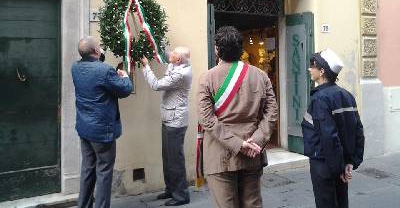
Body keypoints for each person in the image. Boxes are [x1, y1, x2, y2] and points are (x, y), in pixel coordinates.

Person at [197, 26, 278, 208]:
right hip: (253, 152)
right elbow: (271, 112)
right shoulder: (261, 75)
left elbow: (206, 118)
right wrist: (256, 140)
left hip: (221, 153)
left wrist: (238, 144)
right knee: (252, 204)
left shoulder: (207, 78)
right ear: (241, 50)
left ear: (217, 49)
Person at [71, 36, 133, 208]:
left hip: (84, 128)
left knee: (88, 169)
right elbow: (125, 90)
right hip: (102, 132)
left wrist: (99, 55)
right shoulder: (105, 71)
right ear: (96, 51)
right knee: (104, 172)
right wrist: (125, 76)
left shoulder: (75, 67)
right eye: (98, 48)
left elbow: (94, 71)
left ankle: (83, 205)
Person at [301, 49, 365, 208]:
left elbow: (329, 136)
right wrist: (350, 162)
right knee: (341, 203)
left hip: (324, 164)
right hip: (340, 163)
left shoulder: (320, 98)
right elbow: (358, 131)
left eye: (313, 66)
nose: (310, 69)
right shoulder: (347, 95)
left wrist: (338, 169)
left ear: (322, 71)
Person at [140, 47, 192, 206]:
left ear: (179, 60)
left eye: (175, 54)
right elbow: (166, 51)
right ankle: (171, 189)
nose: (171, 54)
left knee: (175, 160)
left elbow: (156, 85)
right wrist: (154, 43)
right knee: (168, 158)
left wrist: (146, 66)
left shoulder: (180, 74)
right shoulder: (177, 63)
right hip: (169, 118)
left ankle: (181, 196)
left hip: (175, 121)